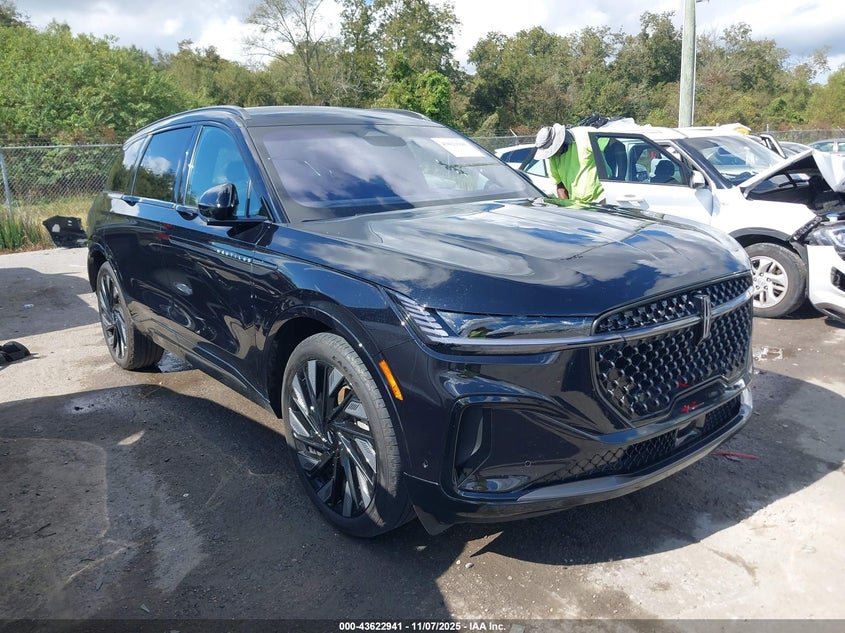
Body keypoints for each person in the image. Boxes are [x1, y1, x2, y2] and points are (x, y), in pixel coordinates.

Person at [534, 123, 605, 203]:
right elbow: (560, 184)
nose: (554, 153)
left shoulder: (585, 136)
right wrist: (566, 206)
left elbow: (611, 149)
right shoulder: (554, 158)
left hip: (600, 200)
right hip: (577, 204)